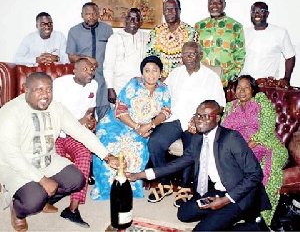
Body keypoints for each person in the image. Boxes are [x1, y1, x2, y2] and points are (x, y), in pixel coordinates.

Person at [0, 72, 118, 231]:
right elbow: (12, 155)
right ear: (25, 89)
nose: (45, 95)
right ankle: (18, 211)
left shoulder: (56, 108)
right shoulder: (10, 112)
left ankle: (44, 200)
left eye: (49, 90)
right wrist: (42, 180)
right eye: (39, 90)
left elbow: (79, 131)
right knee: (33, 199)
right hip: (16, 166)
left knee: (77, 180)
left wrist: (106, 155)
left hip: (47, 160)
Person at [129, 100, 271, 231]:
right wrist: (140, 175)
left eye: (206, 116)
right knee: (184, 214)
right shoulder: (198, 139)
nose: (200, 120)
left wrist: (225, 200)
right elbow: (175, 165)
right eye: (198, 115)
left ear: (217, 118)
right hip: (219, 190)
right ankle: (220, 217)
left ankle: (254, 226)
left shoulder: (231, 138)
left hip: (241, 196)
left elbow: (255, 174)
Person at [146, 41, 226, 205]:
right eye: (184, 54)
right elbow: (163, 94)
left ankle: (184, 187)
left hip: (197, 122)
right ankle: (165, 182)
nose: (188, 57)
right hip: (174, 118)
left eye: (192, 54)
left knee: (192, 148)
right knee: (154, 143)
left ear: (200, 55)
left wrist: (198, 119)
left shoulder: (211, 77)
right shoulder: (176, 73)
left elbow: (219, 105)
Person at [90, 56, 171, 201]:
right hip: (118, 123)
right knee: (109, 144)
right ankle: (106, 187)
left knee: (136, 148)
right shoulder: (133, 84)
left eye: (155, 71)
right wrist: (136, 127)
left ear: (160, 73)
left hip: (145, 128)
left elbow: (165, 112)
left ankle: (127, 187)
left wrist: (150, 125)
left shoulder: (164, 90)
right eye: (147, 71)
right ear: (142, 73)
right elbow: (120, 109)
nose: (151, 74)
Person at [221, 75, 288, 226]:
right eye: (239, 88)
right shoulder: (231, 106)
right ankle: (240, 210)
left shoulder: (261, 101)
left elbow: (267, 125)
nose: (242, 91)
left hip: (267, 145)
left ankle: (263, 218)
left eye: (246, 87)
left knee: (265, 172)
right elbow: (224, 129)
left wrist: (250, 143)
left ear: (253, 89)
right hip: (239, 149)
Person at [52, 58, 98, 227]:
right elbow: (53, 113)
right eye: (85, 69)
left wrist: (89, 117)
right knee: (58, 167)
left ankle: (72, 210)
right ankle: (47, 198)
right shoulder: (60, 84)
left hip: (76, 134)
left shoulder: (94, 85)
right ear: (75, 71)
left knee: (85, 157)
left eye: (92, 69)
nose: (90, 72)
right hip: (56, 133)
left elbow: (90, 107)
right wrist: (78, 122)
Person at [66, 2, 113, 119]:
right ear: (82, 15)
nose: (91, 16)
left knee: (105, 116)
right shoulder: (74, 31)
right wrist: (87, 59)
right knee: (84, 114)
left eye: (93, 14)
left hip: (102, 79)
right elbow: (71, 56)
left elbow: (113, 54)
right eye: (87, 14)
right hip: (83, 79)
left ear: (98, 15)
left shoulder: (107, 30)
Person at [195, 0, 245, 87]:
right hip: (202, 78)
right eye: (211, 3)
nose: (214, 5)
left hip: (225, 79)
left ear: (224, 5)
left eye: (218, 2)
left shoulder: (235, 26)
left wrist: (231, 76)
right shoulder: (199, 26)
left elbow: (240, 55)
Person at [240, 2, 296, 87]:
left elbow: (290, 57)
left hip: (267, 84)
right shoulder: (244, 33)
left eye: (261, 11)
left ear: (267, 14)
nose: (257, 14)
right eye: (254, 11)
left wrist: (286, 79)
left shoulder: (280, 32)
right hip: (246, 84)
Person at [146, 0, 199, 80]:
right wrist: (158, 77)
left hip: (182, 79)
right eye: (167, 9)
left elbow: (193, 59)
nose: (170, 12)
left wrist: (173, 78)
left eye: (173, 9)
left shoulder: (190, 32)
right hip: (159, 80)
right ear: (163, 12)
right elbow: (150, 57)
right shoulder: (155, 32)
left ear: (179, 10)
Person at [103, 8, 148, 104]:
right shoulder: (115, 38)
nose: (132, 21)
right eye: (129, 18)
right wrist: (110, 88)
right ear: (125, 20)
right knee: (120, 116)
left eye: (136, 18)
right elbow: (108, 66)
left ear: (140, 21)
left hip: (141, 86)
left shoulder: (147, 37)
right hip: (119, 86)